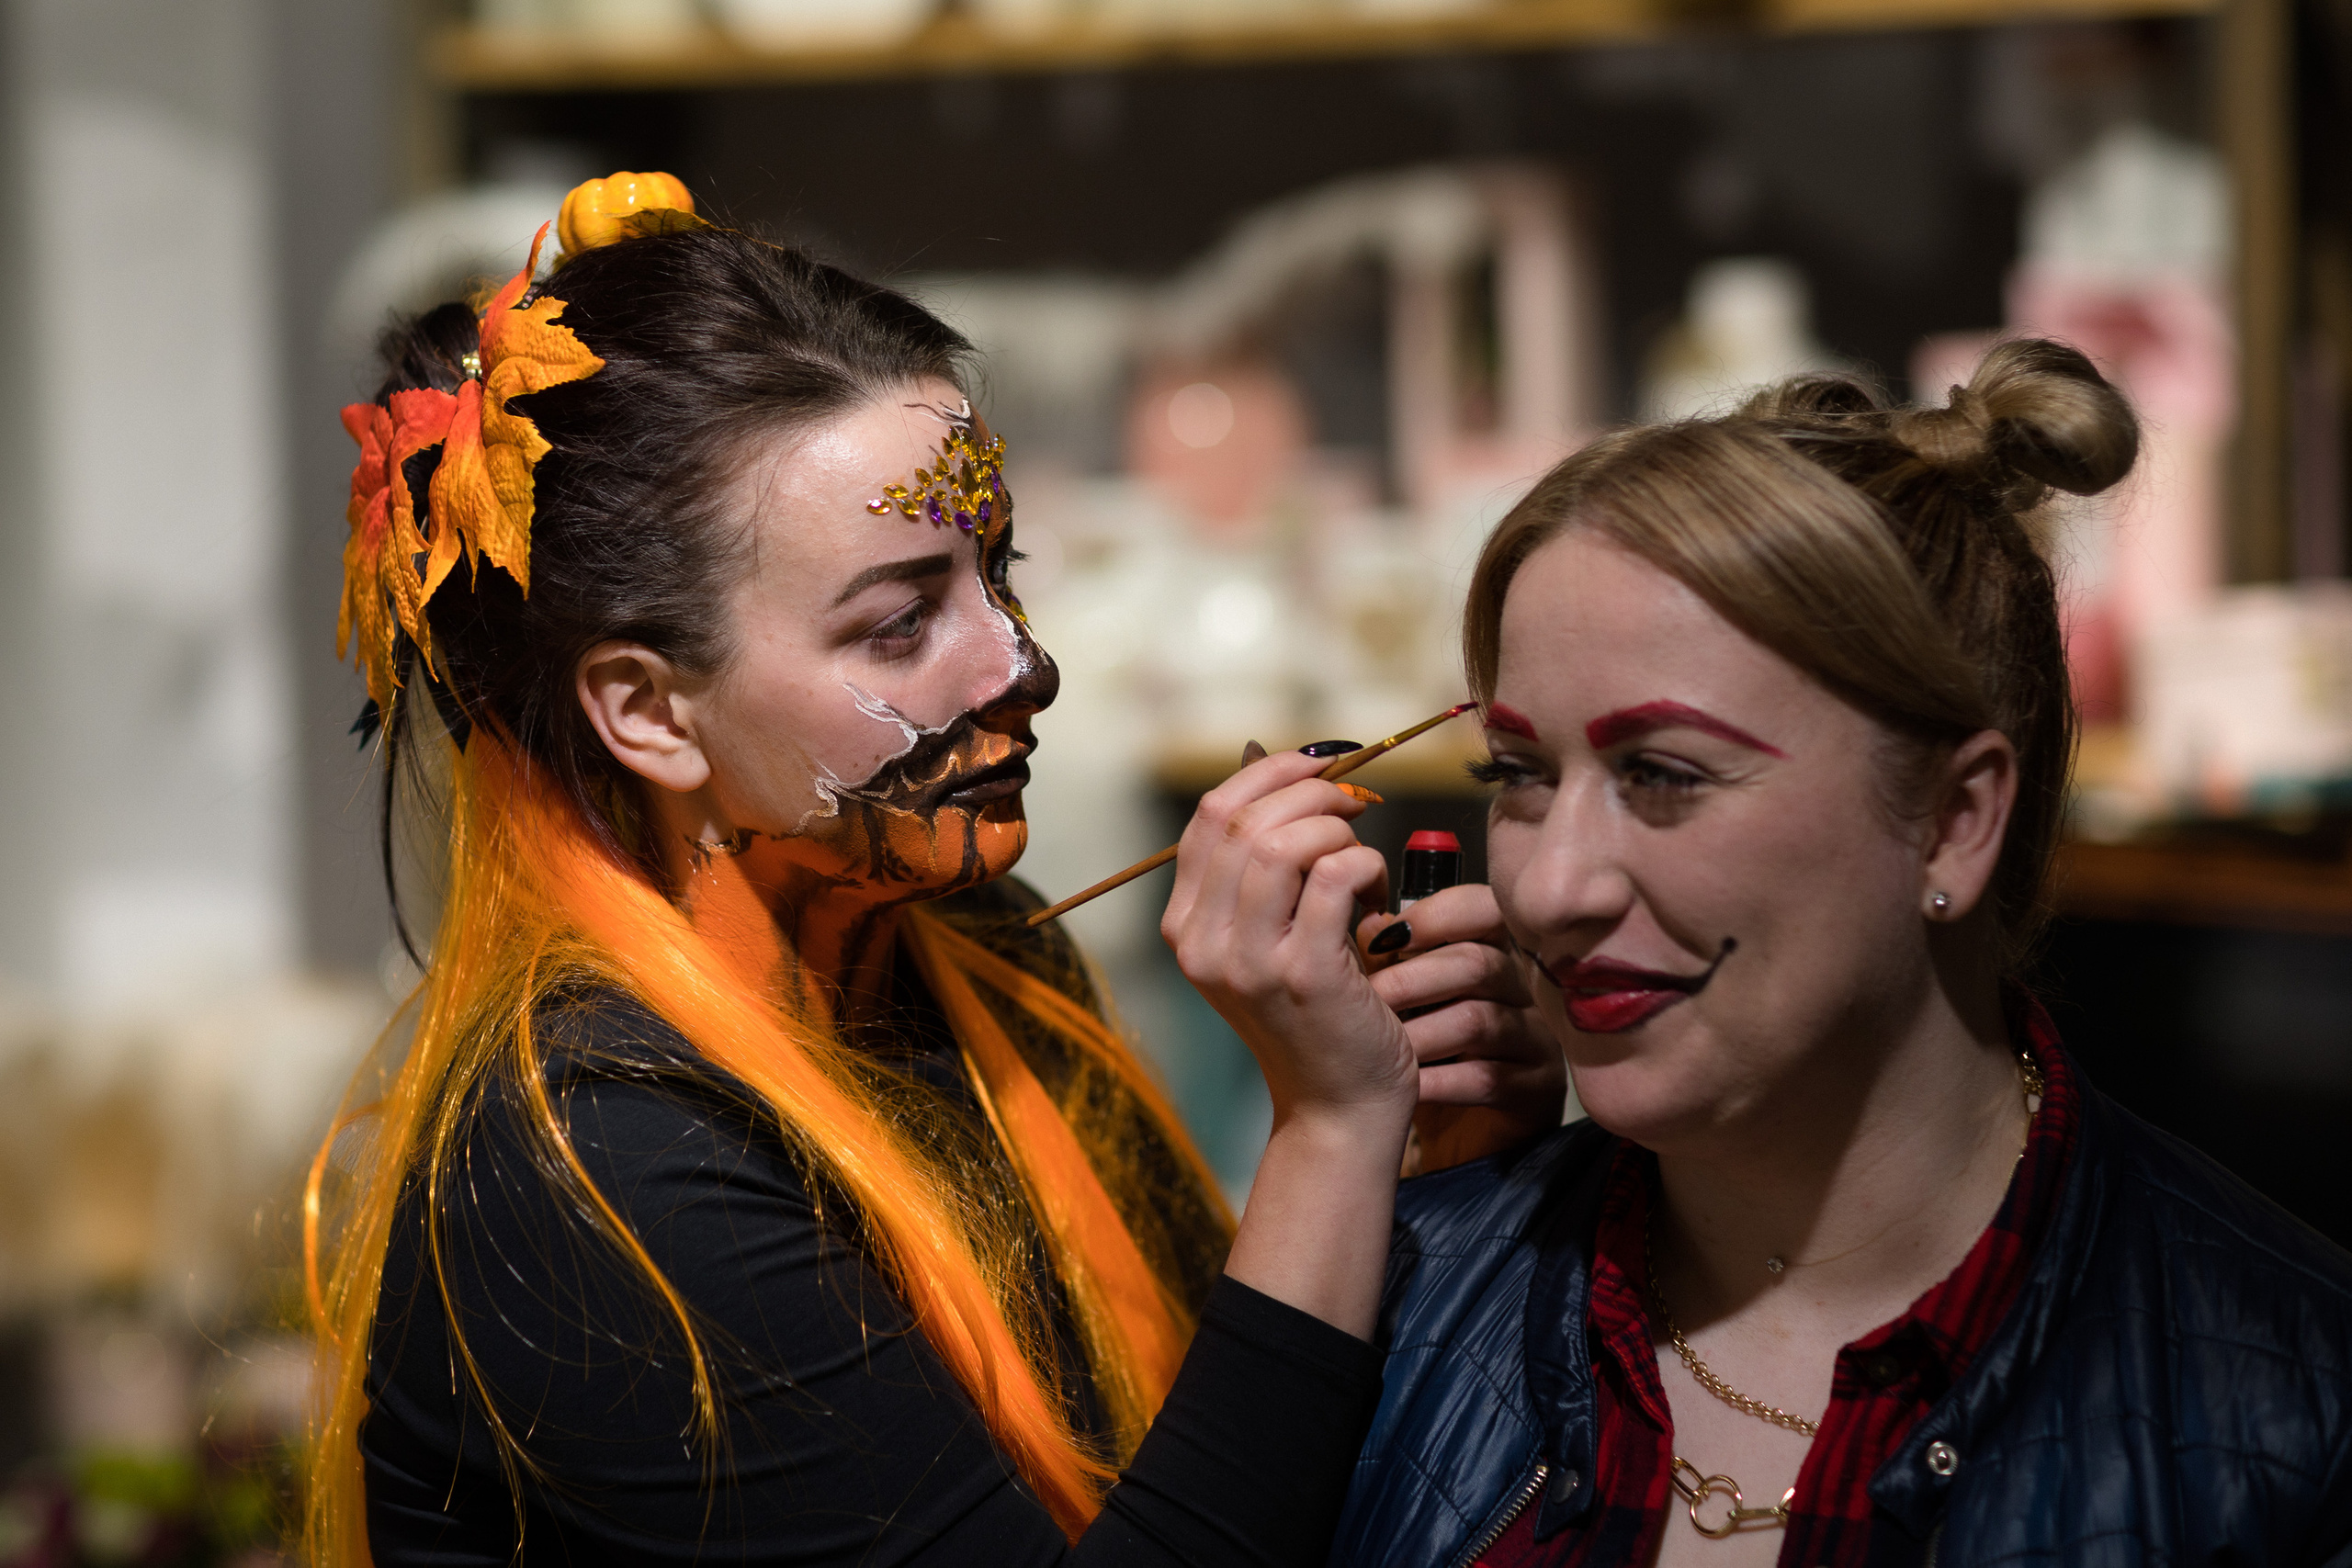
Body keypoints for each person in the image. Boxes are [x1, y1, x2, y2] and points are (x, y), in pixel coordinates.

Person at [303, 173, 1555, 1568]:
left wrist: (1434, 1167)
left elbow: (1243, 1467)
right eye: (902, 624)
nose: (1024, 664)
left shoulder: (976, 946)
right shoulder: (592, 1168)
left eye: (997, 574)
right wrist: (1327, 1134)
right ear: (649, 712)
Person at [1324, 340, 2352, 1567]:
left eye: (1662, 775)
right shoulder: (1385, 1296)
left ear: (1953, 821)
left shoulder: (2293, 1414)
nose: (1548, 887)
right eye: (1522, 777)